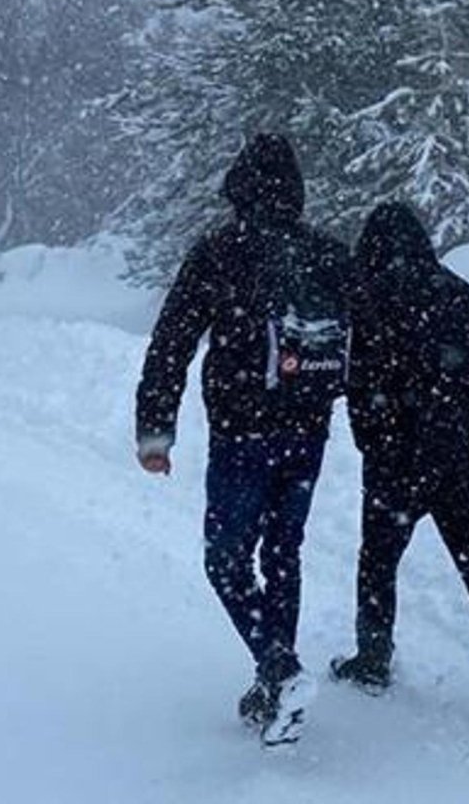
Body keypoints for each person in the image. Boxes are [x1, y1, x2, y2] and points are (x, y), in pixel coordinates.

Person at [134, 133, 351, 747]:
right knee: (283, 553)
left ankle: (278, 669)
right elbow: (368, 338)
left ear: (238, 186)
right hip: (308, 432)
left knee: (225, 559)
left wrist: (156, 428)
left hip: (242, 433)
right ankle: (272, 676)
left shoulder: (219, 252)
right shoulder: (328, 254)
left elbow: (172, 341)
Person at [330, 202, 469, 734]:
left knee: (378, 562)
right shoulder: (462, 293)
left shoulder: (368, 298)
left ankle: (373, 659)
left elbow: (359, 384)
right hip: (464, 456)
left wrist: (374, 439)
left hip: (398, 461)